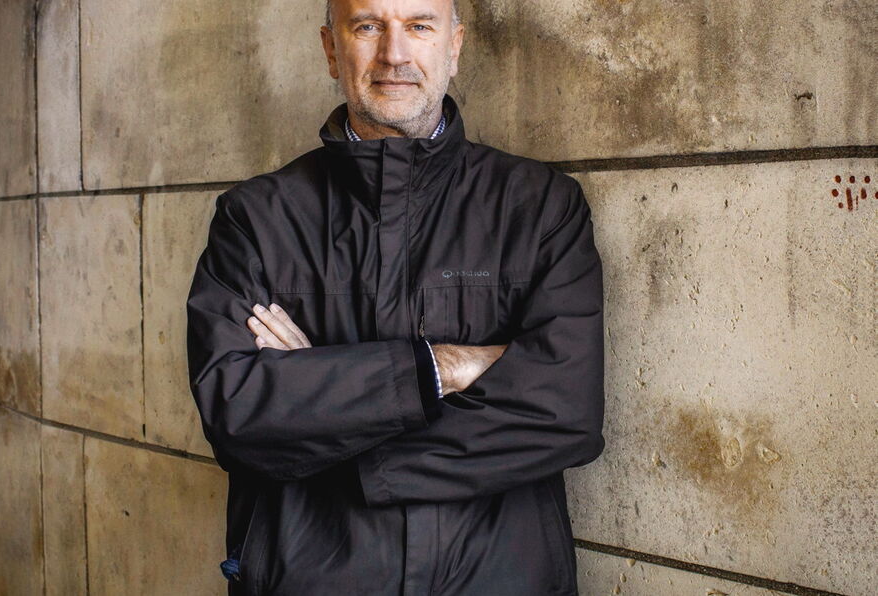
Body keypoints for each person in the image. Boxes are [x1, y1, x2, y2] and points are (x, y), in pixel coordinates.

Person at [185, 0, 606, 594]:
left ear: (453, 47)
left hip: (498, 577)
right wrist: (443, 368)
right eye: (367, 26)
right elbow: (237, 414)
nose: (394, 53)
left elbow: (566, 415)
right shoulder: (255, 219)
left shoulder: (540, 207)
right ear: (331, 50)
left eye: (419, 26)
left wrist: (323, 401)